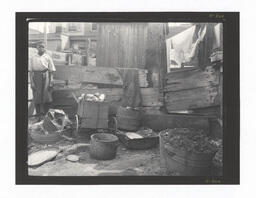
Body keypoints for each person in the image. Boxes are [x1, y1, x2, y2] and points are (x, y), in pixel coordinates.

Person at [29, 42, 56, 120]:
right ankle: (38, 115)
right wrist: (32, 82)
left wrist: (51, 81)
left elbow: (51, 71)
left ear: (45, 48)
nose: (41, 48)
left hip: (46, 75)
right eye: (39, 47)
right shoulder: (33, 57)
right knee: (37, 96)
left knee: (46, 95)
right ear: (37, 48)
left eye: (43, 47)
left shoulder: (47, 57)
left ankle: (45, 115)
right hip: (36, 76)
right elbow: (31, 72)